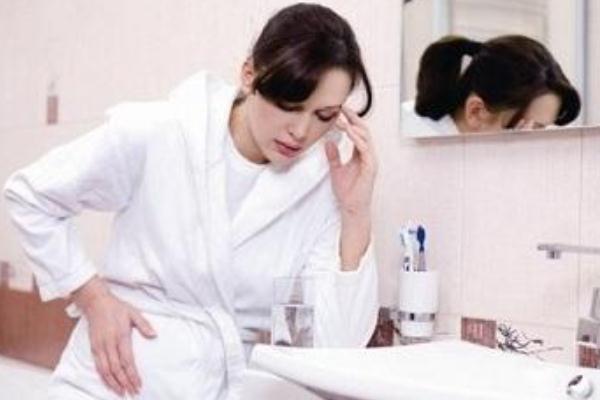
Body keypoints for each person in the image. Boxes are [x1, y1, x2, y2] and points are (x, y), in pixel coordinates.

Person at [3, 3, 379, 399]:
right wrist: (93, 299)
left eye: (324, 115)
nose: (301, 131)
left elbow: (338, 346)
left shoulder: (322, 180)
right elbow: (30, 195)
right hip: (109, 382)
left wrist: (356, 212)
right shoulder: (161, 131)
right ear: (249, 75)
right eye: (290, 104)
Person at [402, 34, 581, 137]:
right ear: (476, 112)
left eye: (541, 129)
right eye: (524, 130)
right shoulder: (419, 148)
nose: (538, 146)